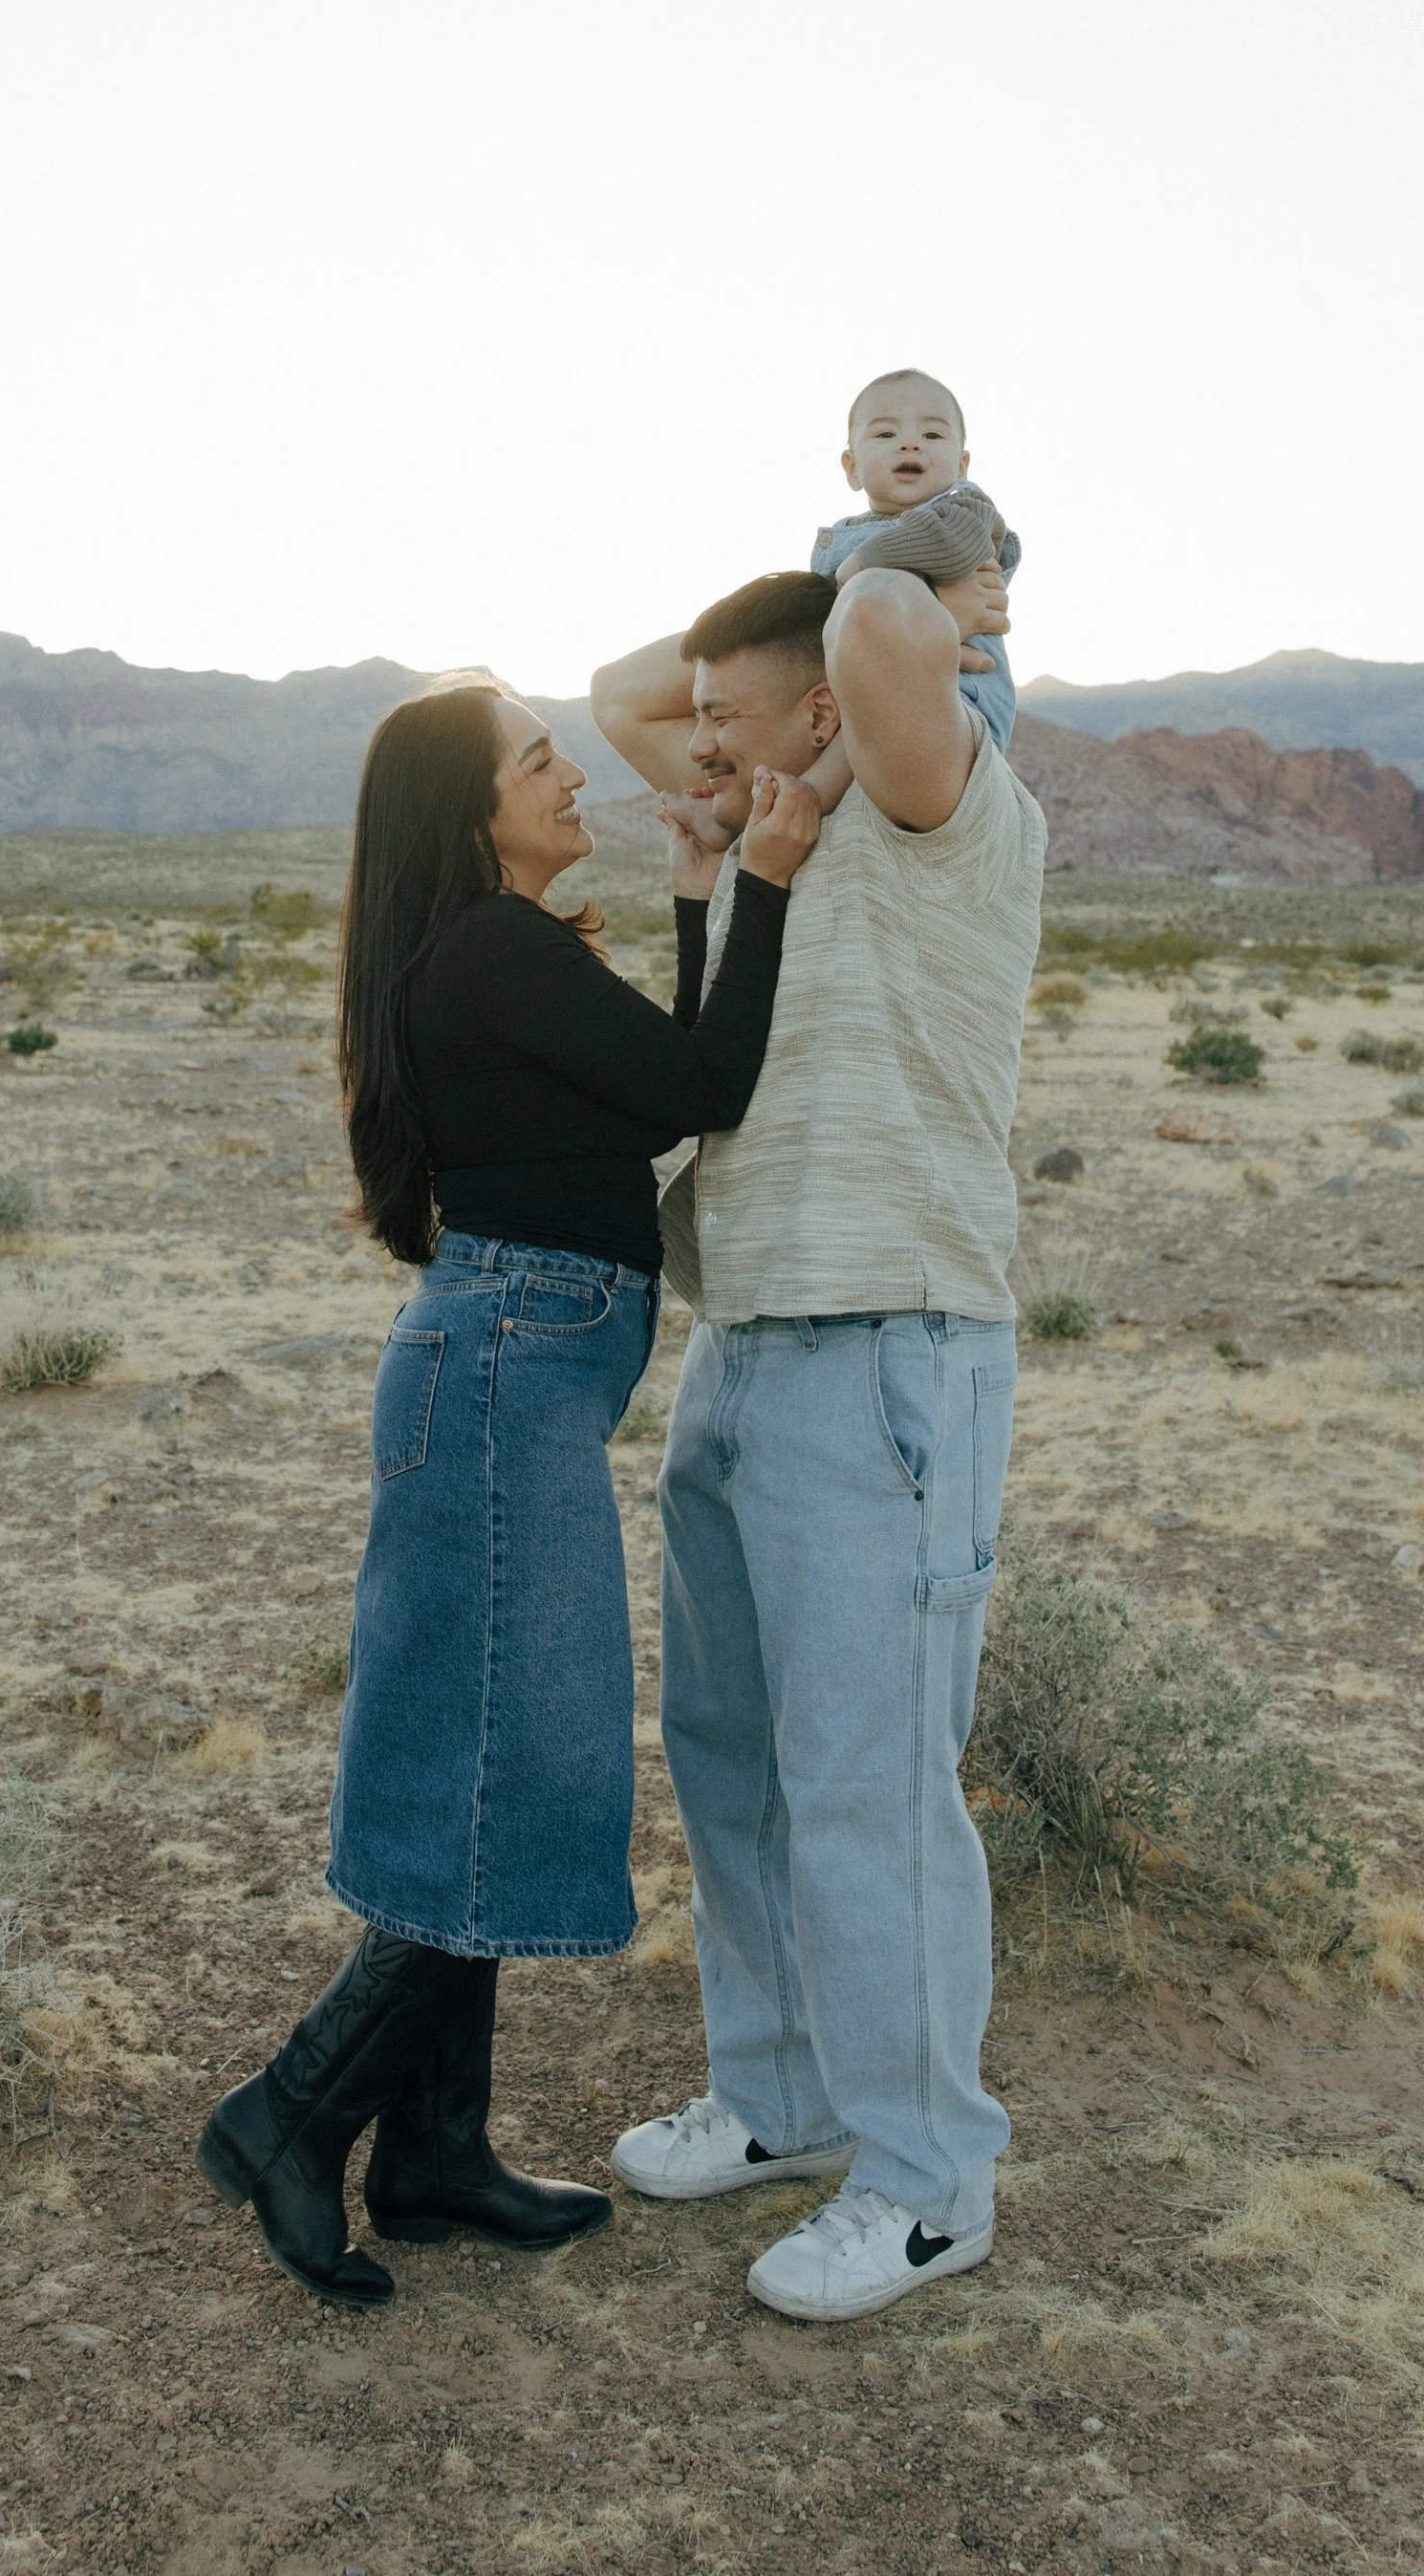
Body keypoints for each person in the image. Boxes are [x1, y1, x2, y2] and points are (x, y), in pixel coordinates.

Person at [197, 682, 821, 2305]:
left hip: (508, 1370)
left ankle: (435, 2151)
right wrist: (759, 872)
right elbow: (709, 1085)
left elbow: (656, 1081)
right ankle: (292, 2112)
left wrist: (695, 896)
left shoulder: (504, 952)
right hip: (504, 1379)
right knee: (512, 1763)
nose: (570, 774)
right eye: (538, 760)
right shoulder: (492, 950)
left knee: (484, 1755)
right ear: (474, 814)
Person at [591, 557, 1045, 2323]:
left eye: (731, 719)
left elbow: (867, 637)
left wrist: (880, 547)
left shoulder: (945, 807)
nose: (685, 747)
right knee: (732, 1761)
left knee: (871, 1787)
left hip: (889, 1347)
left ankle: (930, 2180)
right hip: (746, 1336)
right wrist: (742, 734)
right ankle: (780, 2098)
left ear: (832, 714)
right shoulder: (769, 827)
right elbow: (627, 680)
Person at [809, 367, 1022, 753]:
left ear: (961, 465)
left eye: (933, 435)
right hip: (859, 711)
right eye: (886, 434)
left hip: (959, 705)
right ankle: (809, 795)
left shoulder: (964, 509)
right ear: (852, 467)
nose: (910, 445)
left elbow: (953, 545)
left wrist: (867, 560)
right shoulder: (838, 539)